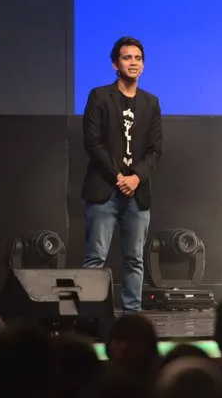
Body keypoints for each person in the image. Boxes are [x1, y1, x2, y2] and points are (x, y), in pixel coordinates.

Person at [81, 36, 163, 312]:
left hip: (137, 194)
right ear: (116, 64)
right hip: (104, 189)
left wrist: (136, 177)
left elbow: (155, 149)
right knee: (95, 258)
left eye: (138, 58)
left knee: (134, 260)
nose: (133, 63)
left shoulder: (151, 102)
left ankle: (132, 317)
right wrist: (119, 176)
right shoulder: (99, 96)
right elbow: (92, 142)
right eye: (127, 58)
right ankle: (90, 316)